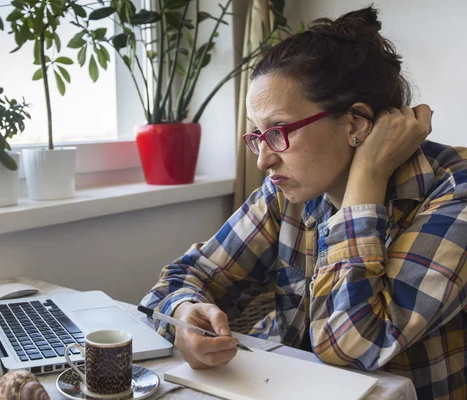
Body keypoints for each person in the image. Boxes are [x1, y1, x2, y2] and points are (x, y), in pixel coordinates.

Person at [140, 6, 467, 400]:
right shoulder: (286, 192)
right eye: (257, 137)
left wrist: (365, 182)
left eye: (278, 132)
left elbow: (350, 344)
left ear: (356, 123)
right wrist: (182, 318)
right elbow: (175, 283)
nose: (263, 159)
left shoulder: (453, 191)